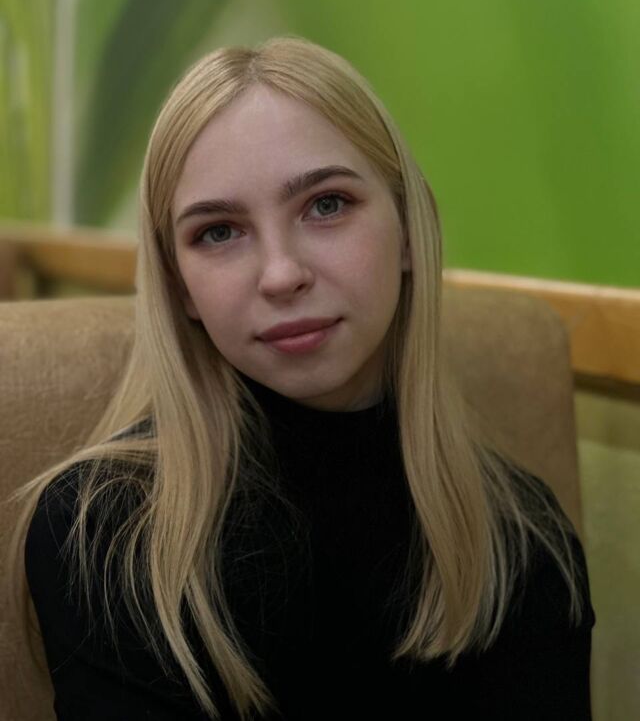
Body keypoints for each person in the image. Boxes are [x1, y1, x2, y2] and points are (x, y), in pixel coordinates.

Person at [14, 35, 595, 720]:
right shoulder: (101, 531)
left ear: (411, 231)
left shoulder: (522, 538)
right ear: (180, 288)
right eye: (219, 232)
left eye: (326, 205)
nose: (282, 274)